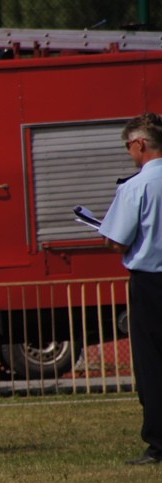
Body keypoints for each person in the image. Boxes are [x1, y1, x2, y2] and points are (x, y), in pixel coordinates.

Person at [99, 112, 162, 465]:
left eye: (128, 146)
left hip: (151, 283)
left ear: (140, 143)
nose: (129, 153)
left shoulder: (135, 187)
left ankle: (158, 443)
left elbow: (116, 240)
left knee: (152, 365)